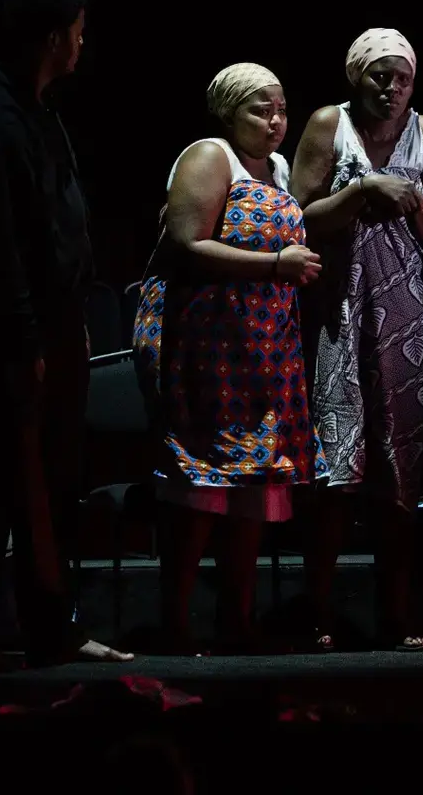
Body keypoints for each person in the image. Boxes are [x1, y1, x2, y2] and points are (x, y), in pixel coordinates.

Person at [0, 0, 131, 669]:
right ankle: (25, 631)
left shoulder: (36, 113)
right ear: (54, 36)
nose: (83, 43)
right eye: (78, 30)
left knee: (32, 481)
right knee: (17, 482)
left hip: (48, 323)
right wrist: (26, 336)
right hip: (12, 333)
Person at [133, 63, 324, 653]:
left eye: (280, 110)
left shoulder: (281, 169)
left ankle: (237, 621)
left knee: (253, 482)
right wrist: (275, 266)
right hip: (206, 339)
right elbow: (190, 242)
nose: (274, 122)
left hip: (263, 343)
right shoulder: (209, 156)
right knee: (201, 479)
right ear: (227, 112)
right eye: (259, 110)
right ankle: (177, 622)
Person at [291, 29, 423, 651]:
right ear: (356, 78)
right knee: (336, 463)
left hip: (406, 315)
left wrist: (411, 204)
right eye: (379, 77)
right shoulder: (330, 124)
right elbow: (296, 213)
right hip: (339, 308)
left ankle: (397, 615)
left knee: (402, 464)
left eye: (402, 78)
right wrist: (359, 191)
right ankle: (319, 614)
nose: (392, 89)